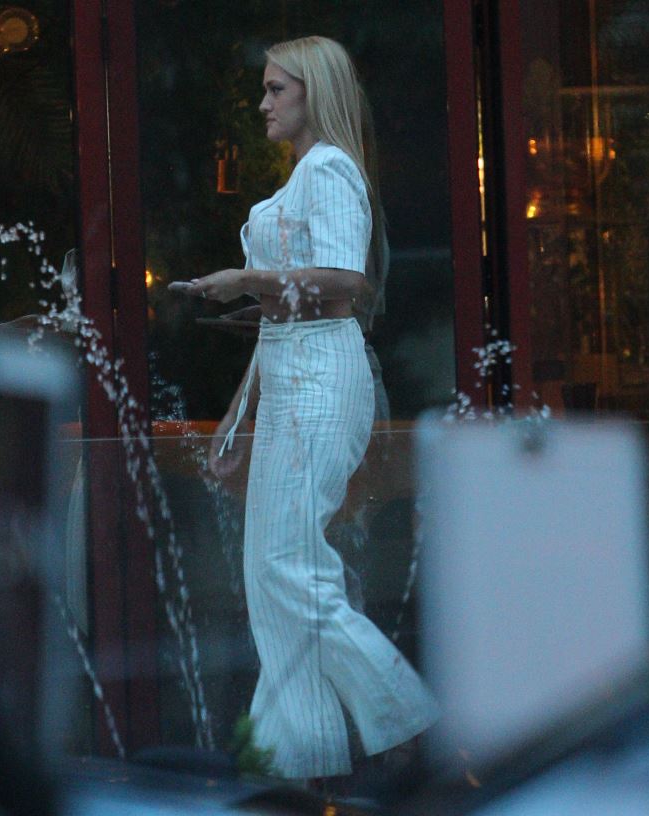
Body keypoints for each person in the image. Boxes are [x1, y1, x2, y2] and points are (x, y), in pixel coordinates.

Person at [171, 35, 437, 780]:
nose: (262, 103)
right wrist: (239, 415)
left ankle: (401, 715)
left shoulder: (328, 169)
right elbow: (281, 319)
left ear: (314, 92)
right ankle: (301, 758)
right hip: (293, 369)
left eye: (275, 89)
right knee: (272, 573)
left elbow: (347, 282)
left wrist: (242, 279)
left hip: (320, 373)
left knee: (285, 565)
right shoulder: (306, 176)